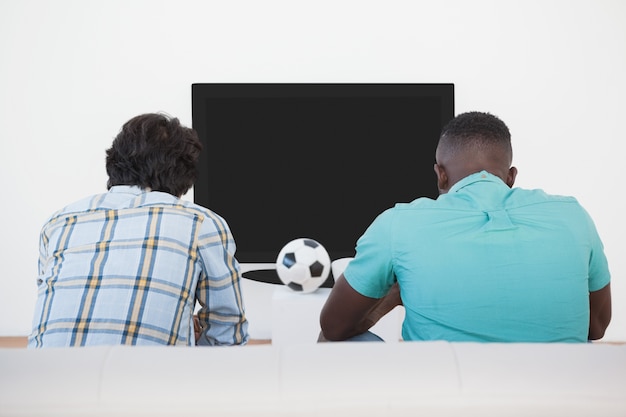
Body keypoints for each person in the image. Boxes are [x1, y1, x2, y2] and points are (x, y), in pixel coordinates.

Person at [319, 111, 611, 343]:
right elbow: (596, 328)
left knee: (330, 342)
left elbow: (334, 327)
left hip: (445, 397)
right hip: (556, 396)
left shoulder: (397, 224)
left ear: (440, 176)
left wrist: (394, 298)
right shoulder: (574, 216)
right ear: (511, 177)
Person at [28, 113, 249, 347]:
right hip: (143, 380)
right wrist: (189, 342)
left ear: (113, 161)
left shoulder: (59, 221)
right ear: (184, 177)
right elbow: (227, 334)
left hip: (42, 377)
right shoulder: (201, 223)